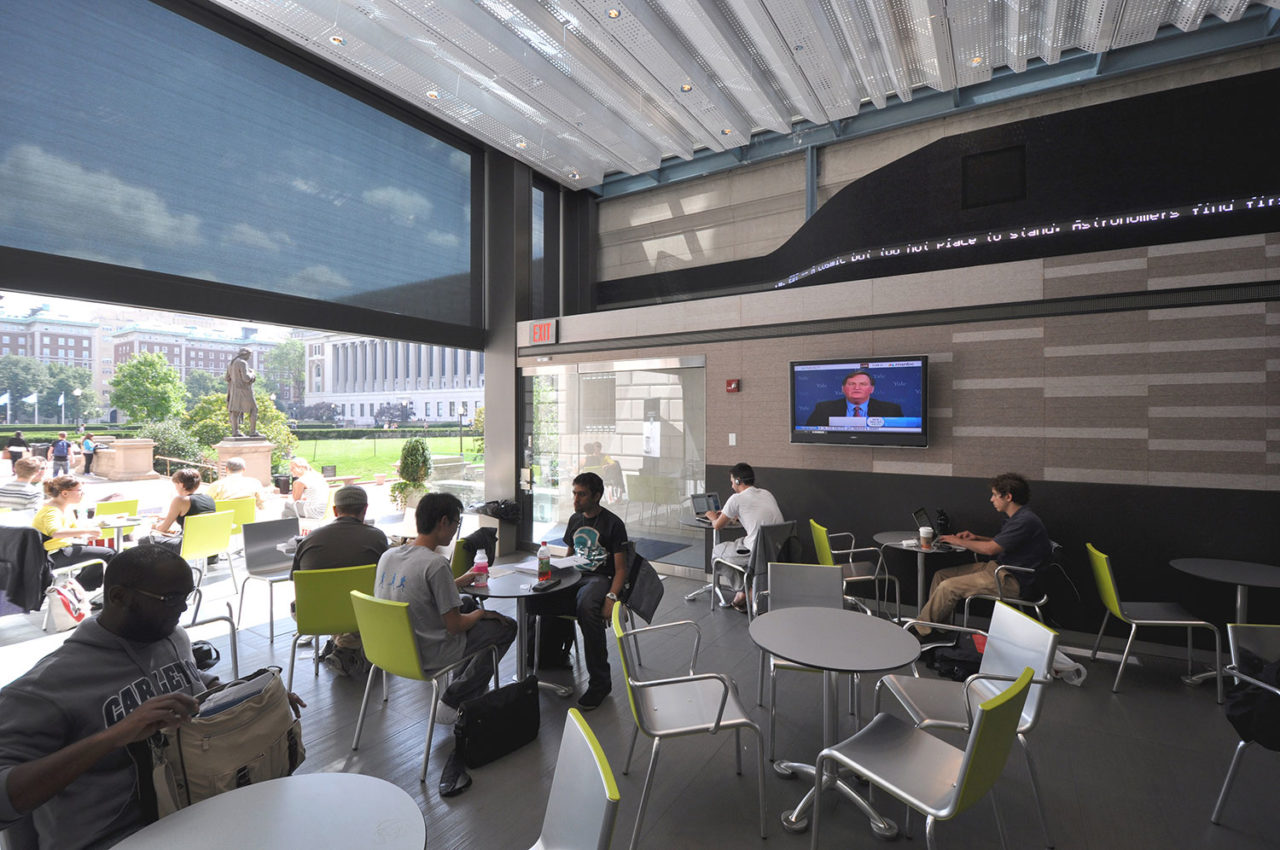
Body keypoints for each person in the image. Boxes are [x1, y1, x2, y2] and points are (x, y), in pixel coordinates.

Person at [0, 546, 304, 849]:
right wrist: (115, 735)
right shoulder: (44, 688)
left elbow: (193, 684)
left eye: (187, 596)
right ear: (118, 596)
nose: (184, 609)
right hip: (114, 836)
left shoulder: (170, 635)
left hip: (190, 809)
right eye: (172, 599)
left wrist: (255, 698)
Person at [375, 493, 516, 797]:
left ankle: (461, 686)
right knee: (505, 627)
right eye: (455, 524)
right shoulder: (436, 564)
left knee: (463, 600)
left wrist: (460, 582)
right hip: (433, 652)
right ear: (443, 523)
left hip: (393, 650)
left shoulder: (389, 555)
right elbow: (455, 626)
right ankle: (454, 698)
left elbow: (417, 592)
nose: (456, 531)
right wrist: (481, 613)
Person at [526, 471, 628, 710]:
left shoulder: (613, 524)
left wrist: (611, 598)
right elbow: (570, 555)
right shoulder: (575, 520)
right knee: (533, 598)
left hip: (600, 578)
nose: (576, 499)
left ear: (597, 496)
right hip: (574, 574)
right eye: (574, 494)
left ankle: (600, 683)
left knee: (585, 606)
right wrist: (556, 575)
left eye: (581, 495)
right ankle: (542, 658)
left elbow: (622, 569)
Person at [913, 472, 1052, 637]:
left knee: (948, 587)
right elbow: (1003, 543)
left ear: (1008, 497)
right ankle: (939, 630)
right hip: (999, 570)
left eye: (994, 495)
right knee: (941, 576)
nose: (991, 499)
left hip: (1012, 580)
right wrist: (977, 538)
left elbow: (990, 550)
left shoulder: (1024, 521)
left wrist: (958, 541)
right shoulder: (1019, 517)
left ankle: (919, 633)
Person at [704, 462, 783, 612]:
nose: (732, 485)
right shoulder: (766, 493)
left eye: (732, 481)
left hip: (756, 552)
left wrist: (712, 516)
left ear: (738, 481)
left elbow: (717, 526)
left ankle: (745, 591)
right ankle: (746, 590)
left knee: (717, 553)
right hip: (777, 549)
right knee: (738, 542)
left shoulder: (736, 498)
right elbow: (756, 514)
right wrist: (735, 516)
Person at [33, 476, 113, 591]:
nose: (82, 494)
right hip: (52, 555)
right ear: (65, 493)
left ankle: (78, 588)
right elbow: (56, 532)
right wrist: (87, 531)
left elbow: (72, 529)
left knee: (103, 553)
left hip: (61, 549)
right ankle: (80, 589)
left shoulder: (65, 507)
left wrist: (84, 534)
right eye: (79, 490)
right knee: (109, 554)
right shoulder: (51, 511)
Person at [145, 468, 216, 555]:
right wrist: (167, 517)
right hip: (211, 548)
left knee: (145, 540)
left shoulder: (180, 500)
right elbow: (194, 515)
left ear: (181, 485)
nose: (175, 488)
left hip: (188, 548)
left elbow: (163, 529)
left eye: (175, 485)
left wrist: (154, 526)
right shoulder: (209, 498)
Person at [805, 370, 904, 426]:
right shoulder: (823, 409)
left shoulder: (891, 410)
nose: (857, 388)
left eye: (863, 384)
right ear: (843, 389)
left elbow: (901, 437)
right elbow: (808, 434)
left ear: (872, 389)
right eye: (852, 384)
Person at [225, 348, 259, 437]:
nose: (250, 357)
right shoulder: (242, 363)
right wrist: (253, 373)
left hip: (234, 391)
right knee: (254, 410)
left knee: (235, 411)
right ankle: (253, 432)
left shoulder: (230, 363)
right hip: (244, 391)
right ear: (245, 354)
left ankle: (235, 432)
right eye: (249, 355)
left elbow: (227, 378)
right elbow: (246, 378)